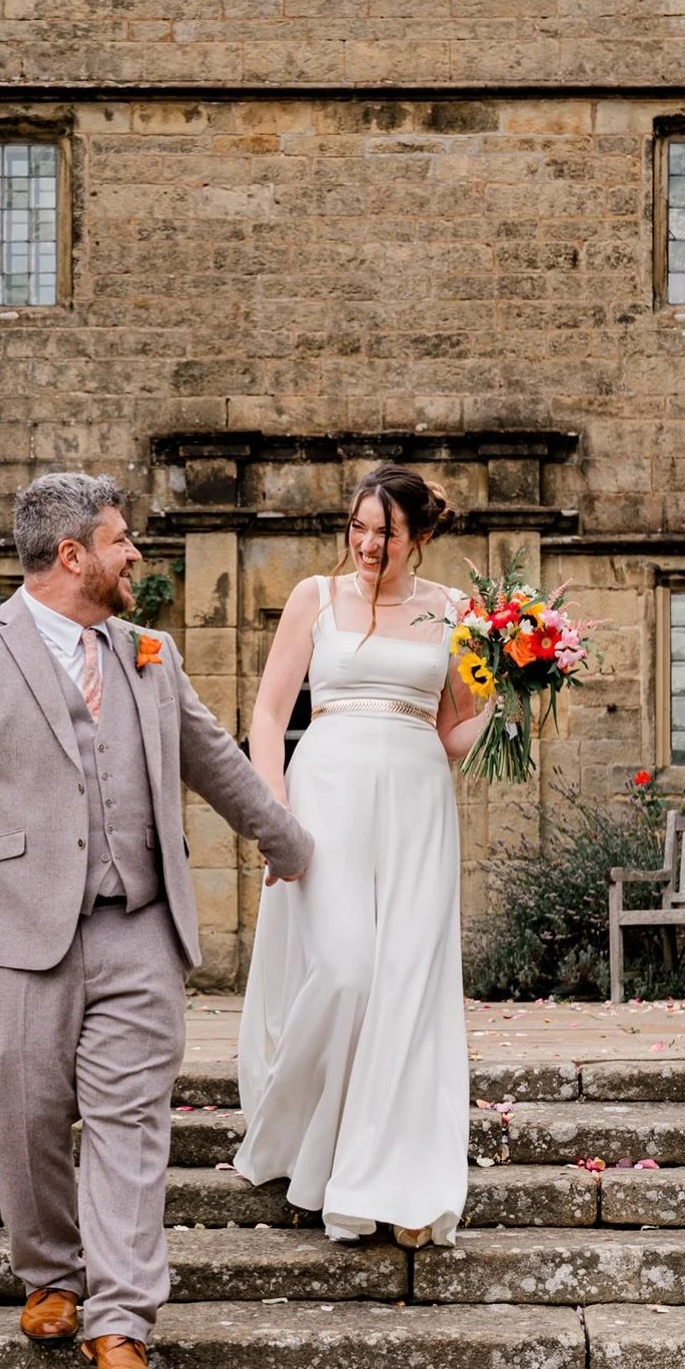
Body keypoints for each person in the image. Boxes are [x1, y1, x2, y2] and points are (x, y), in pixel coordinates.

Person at [0, 472, 312, 1369]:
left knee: (132, 1121)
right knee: (24, 1111)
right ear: (72, 554)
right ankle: (51, 1272)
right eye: (121, 540)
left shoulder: (150, 653)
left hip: (140, 928)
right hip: (12, 929)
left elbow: (215, 759)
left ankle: (121, 1316)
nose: (136, 555)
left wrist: (290, 843)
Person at [235, 464, 490, 1248]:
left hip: (416, 804)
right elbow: (268, 715)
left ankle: (393, 1179)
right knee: (345, 970)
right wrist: (275, 813)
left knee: (406, 985)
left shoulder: (455, 612)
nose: (369, 543)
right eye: (359, 527)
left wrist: (507, 694)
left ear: (419, 535)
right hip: (325, 800)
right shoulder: (314, 596)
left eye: (386, 531)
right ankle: (303, 1138)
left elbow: (453, 732)